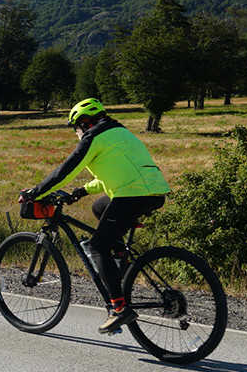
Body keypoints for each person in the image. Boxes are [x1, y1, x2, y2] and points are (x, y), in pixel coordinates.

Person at [19, 98, 170, 334]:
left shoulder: (93, 137)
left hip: (132, 195)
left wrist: (35, 192)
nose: (76, 132)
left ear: (82, 124)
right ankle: (119, 255)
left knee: (98, 246)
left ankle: (119, 308)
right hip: (153, 192)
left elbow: (65, 171)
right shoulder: (120, 132)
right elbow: (116, 174)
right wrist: (81, 191)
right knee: (100, 207)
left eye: (75, 127)